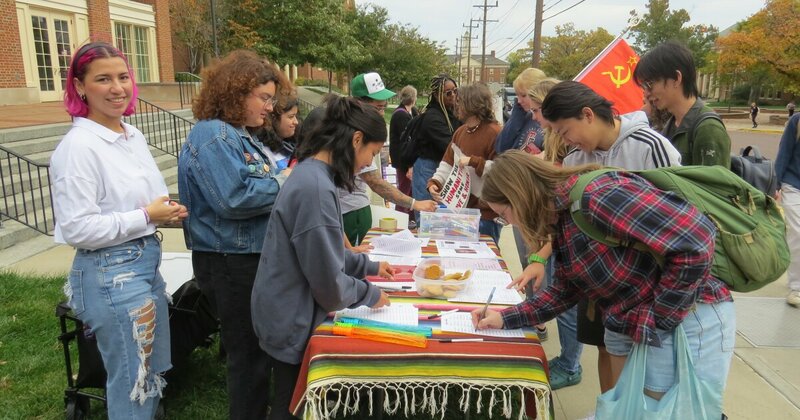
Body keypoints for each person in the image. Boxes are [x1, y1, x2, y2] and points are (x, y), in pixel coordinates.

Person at [475, 150, 735, 417]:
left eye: (504, 214)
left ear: (519, 196)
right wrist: (505, 318)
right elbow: (565, 290)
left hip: (689, 316)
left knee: (673, 411)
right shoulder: (563, 219)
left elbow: (697, 239)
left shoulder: (597, 197)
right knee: (637, 411)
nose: (509, 223)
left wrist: (658, 319)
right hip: (648, 322)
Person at [511, 81, 682, 393]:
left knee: (647, 372)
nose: (565, 140)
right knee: (605, 346)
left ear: (588, 115)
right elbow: (567, 226)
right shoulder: (576, 159)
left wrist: (665, 304)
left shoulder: (649, 146)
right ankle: (609, 408)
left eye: (565, 131)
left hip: (647, 286)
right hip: (599, 279)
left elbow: (682, 220)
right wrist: (540, 257)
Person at [51, 41, 188, 419]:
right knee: (133, 380)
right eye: (103, 79)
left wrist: (164, 212)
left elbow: (140, 201)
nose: (117, 88)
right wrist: (145, 215)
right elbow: (77, 228)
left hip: (143, 264)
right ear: (79, 86)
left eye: (123, 77)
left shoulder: (131, 135)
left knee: (150, 372)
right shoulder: (78, 147)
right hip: (110, 273)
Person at [251, 96, 394, 420]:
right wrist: (369, 294)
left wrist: (368, 266)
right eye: (371, 153)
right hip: (290, 316)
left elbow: (324, 251)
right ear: (356, 140)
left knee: (293, 399)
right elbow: (328, 282)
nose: (367, 163)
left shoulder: (313, 175)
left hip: (286, 307)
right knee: (292, 404)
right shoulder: (315, 188)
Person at [177, 50, 292, 420]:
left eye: (272, 99)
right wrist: (286, 181)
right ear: (236, 92)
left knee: (256, 349)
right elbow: (235, 198)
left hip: (245, 257)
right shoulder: (213, 135)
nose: (270, 108)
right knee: (247, 353)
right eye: (264, 98)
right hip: (230, 262)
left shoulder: (240, 135)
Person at [303, 73, 436, 248]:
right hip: (349, 215)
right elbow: (375, 182)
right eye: (378, 107)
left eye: (384, 107)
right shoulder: (347, 143)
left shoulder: (351, 137)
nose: (382, 113)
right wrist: (414, 203)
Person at [634, 41, 731, 168]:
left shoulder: (708, 129)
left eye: (649, 84)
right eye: (643, 86)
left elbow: (715, 181)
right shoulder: (670, 124)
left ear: (676, 78)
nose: (646, 94)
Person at [426, 83, 502, 243]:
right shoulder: (460, 132)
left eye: (460, 101)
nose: (456, 105)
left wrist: (474, 162)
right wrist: (435, 183)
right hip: (461, 212)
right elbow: (447, 164)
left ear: (472, 104)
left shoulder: (495, 132)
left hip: (486, 215)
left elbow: (503, 170)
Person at [412, 74, 462, 216]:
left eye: (455, 91)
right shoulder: (432, 117)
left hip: (444, 166)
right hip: (428, 167)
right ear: (436, 95)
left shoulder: (453, 112)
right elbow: (450, 145)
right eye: (448, 93)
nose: (453, 95)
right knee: (428, 214)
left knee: (444, 216)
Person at [775, 113, 800, 307]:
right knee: (798, 232)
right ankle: (797, 286)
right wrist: (775, 184)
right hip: (793, 184)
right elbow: (784, 152)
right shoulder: (797, 121)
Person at [495, 68, 547, 155]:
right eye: (517, 95)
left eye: (523, 95)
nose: (519, 101)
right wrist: (516, 117)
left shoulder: (551, 121)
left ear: (538, 93)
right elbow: (500, 148)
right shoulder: (521, 115)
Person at [389, 85, 419, 219]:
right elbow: (406, 140)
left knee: (410, 190)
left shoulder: (411, 112)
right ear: (413, 98)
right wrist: (410, 165)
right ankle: (400, 217)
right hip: (403, 159)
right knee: (404, 190)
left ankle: (411, 217)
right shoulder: (401, 115)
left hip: (407, 158)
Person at [255, 96, 301, 170]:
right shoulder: (263, 152)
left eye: (296, 116)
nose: (296, 122)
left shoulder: (295, 144)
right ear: (274, 119)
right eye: (291, 117)